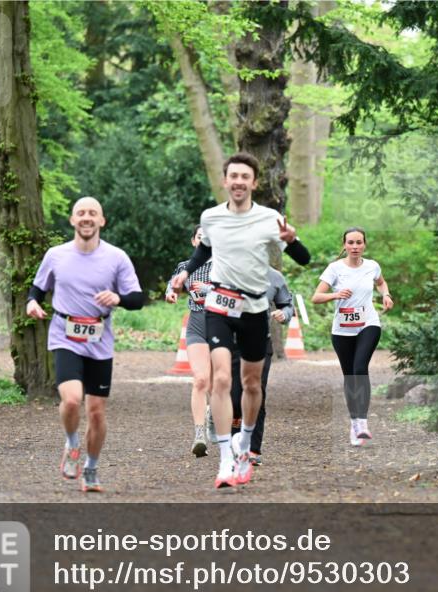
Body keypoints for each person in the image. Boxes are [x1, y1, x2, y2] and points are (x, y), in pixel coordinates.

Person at [171, 152, 310, 488]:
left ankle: (245, 444)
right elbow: (203, 250)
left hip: (253, 310)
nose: (238, 182)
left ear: (254, 183)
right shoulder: (211, 217)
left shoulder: (268, 219)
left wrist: (291, 240)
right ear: (225, 180)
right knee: (220, 381)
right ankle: (224, 460)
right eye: (233, 176)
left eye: (245, 177)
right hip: (218, 305)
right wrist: (186, 272)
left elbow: (304, 259)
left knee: (251, 384)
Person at [26, 197, 143, 492]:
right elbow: (38, 287)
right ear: (72, 220)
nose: (86, 217)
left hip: (99, 340)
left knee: (96, 412)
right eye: (81, 213)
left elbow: (137, 299)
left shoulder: (117, 258)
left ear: (102, 221)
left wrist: (118, 298)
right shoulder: (56, 255)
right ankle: (72, 444)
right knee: (72, 400)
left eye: (93, 213)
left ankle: (91, 469)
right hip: (64, 334)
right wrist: (31, 303)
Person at [311, 227, 393, 446]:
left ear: (364, 244)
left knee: (359, 369)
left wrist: (386, 294)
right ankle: (355, 424)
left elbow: (381, 282)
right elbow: (316, 297)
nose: (355, 247)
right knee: (349, 376)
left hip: (368, 323)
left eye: (359, 242)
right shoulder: (334, 268)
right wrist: (336, 294)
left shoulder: (372, 266)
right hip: (342, 330)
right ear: (344, 245)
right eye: (351, 243)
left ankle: (363, 422)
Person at [229, 267, 295, 466]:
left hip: (260, 341)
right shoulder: (231, 270)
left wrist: (284, 314)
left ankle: (252, 448)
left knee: (256, 391)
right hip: (231, 341)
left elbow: (288, 305)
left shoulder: (274, 277)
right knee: (233, 396)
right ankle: (234, 441)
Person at [165, 225, 214, 458]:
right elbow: (173, 282)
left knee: (220, 382)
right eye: (200, 237)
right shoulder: (186, 267)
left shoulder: (224, 265)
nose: (204, 240)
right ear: (194, 241)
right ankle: (199, 434)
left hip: (221, 325)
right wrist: (171, 292)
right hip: (196, 325)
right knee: (200, 379)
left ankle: (216, 417)